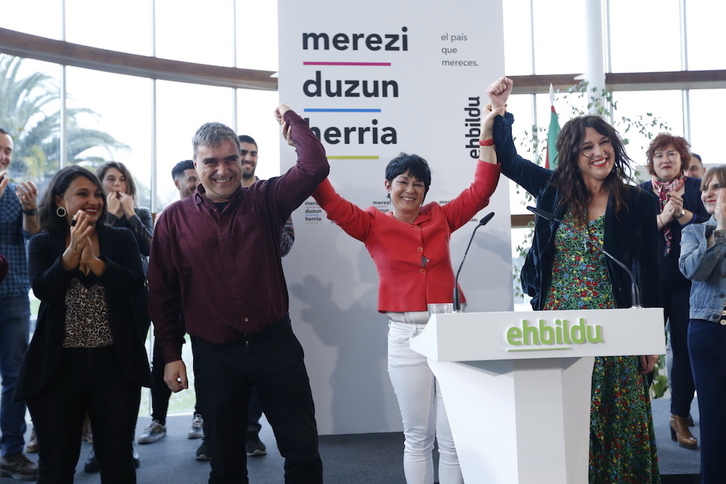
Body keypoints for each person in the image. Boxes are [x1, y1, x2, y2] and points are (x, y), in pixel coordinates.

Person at [311, 101, 501, 483]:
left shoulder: (442, 217)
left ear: (426, 190)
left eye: (418, 183)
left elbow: (482, 190)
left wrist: (487, 130)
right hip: (406, 336)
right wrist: (308, 152)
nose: (410, 189)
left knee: (452, 439)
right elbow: (329, 201)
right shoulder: (370, 224)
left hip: (452, 330)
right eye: (402, 181)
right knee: (417, 437)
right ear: (388, 186)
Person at [488, 76, 661, 483]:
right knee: (565, 418)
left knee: (617, 421)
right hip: (558, 326)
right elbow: (509, 161)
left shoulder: (638, 202)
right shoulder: (553, 190)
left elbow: (649, 275)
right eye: (587, 147)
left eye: (604, 143)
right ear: (573, 154)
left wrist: (651, 337)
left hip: (614, 330)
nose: (599, 152)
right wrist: (500, 110)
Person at [147, 103, 328, 483]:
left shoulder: (265, 199)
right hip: (215, 357)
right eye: (211, 161)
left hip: (275, 347)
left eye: (231, 159)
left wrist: (293, 125)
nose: (223, 169)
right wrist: (170, 355)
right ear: (195, 165)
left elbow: (314, 167)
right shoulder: (172, 221)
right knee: (226, 465)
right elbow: (163, 295)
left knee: (303, 454)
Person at [16, 165, 152, 483]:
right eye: (82, 193)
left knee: (117, 462)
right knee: (56, 465)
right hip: (57, 370)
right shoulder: (43, 243)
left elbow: (135, 285)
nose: (93, 200)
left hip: (115, 368)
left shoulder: (119, 239)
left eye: (96, 194)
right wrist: (70, 256)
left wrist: (95, 263)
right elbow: (43, 289)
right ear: (60, 199)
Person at [640, 134, 709, 450]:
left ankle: (678, 416)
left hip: (689, 282)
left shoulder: (697, 190)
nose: (665, 160)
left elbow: (714, 226)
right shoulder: (640, 194)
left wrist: (683, 216)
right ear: (651, 164)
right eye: (658, 156)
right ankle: (636, 417)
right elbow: (630, 236)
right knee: (643, 350)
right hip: (649, 282)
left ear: (682, 158)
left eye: (671, 154)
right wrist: (663, 218)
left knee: (683, 351)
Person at [140, 160, 207, 456]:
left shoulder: (207, 214)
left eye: (197, 178)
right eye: (190, 179)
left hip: (202, 303)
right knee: (163, 361)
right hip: (171, 304)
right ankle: (158, 420)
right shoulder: (166, 218)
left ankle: (201, 416)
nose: (196, 183)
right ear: (177, 183)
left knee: (207, 361)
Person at [239, 134, 295, 458]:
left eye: (253, 154)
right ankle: (213, 432)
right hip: (224, 301)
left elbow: (287, 245)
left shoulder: (273, 196)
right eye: (243, 153)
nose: (248, 158)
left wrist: (265, 225)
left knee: (261, 375)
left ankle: (251, 431)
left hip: (264, 297)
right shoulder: (217, 195)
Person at [679, 165, 726, 484]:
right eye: (705, 187)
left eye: (717, 186)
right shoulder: (694, 231)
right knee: (712, 421)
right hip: (706, 332)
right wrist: (719, 230)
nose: (707, 192)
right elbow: (693, 271)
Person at [0, 128, 40, 481]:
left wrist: (29, 208)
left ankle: (11, 452)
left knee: (14, 377)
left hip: (12, 294)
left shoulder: (14, 193)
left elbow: (32, 234)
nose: (4, 156)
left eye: (8, 150)